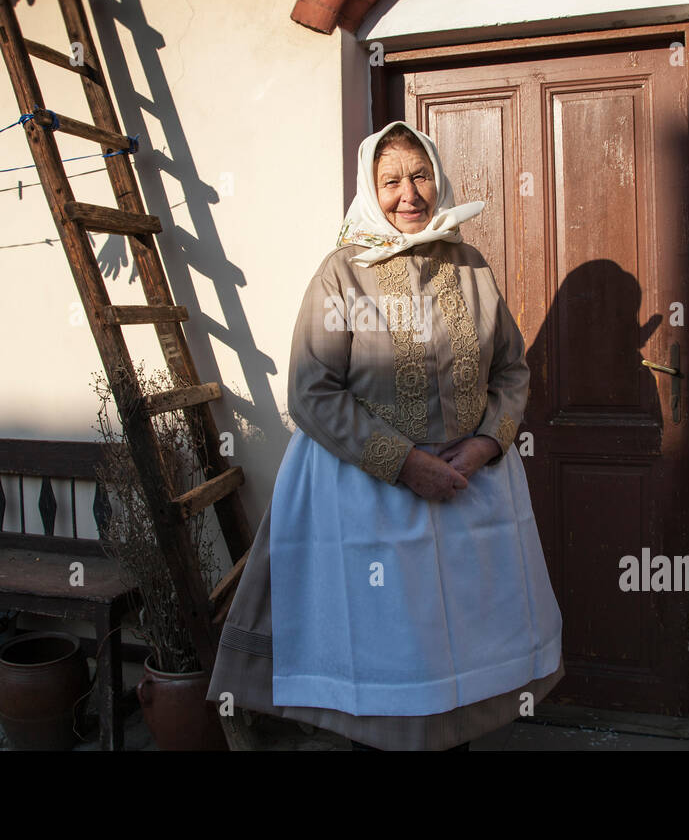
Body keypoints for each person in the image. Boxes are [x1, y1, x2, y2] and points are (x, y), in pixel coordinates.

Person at [204, 120, 564, 750]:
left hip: (466, 490)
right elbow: (311, 390)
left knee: (458, 659)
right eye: (391, 180)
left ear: (439, 179)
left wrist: (485, 443)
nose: (410, 193)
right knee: (386, 653)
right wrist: (402, 463)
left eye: (420, 175)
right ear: (371, 190)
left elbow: (510, 369)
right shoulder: (341, 274)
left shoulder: (471, 267)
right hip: (366, 495)